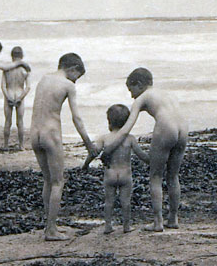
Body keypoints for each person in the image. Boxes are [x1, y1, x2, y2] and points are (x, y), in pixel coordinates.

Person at [103, 68, 187, 232]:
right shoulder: (166, 94)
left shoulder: (142, 98)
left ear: (139, 84)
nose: (132, 95)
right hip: (183, 128)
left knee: (155, 176)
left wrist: (109, 150)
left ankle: (158, 222)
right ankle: (173, 218)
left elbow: (126, 129)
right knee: (173, 175)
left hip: (166, 128)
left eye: (131, 90)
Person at [30, 53, 97, 241]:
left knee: (47, 180)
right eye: (78, 76)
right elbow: (77, 118)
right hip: (51, 134)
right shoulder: (68, 85)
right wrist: (88, 143)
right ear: (73, 68)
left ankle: (48, 225)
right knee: (58, 182)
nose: (76, 81)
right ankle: (51, 230)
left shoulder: (44, 79)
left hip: (34, 134)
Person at [82, 104, 150, 234]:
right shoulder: (130, 138)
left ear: (109, 121)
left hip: (110, 175)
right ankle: (126, 226)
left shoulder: (104, 138)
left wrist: (85, 165)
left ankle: (108, 226)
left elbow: (93, 153)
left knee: (109, 202)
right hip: (125, 174)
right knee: (126, 202)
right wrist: (154, 162)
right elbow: (142, 155)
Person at [1, 46, 31, 151]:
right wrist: (20, 98)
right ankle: (21, 145)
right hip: (19, 93)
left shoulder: (7, 68)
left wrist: (7, 96)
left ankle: (5, 145)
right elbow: (28, 87)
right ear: (22, 55)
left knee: (7, 121)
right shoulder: (25, 69)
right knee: (20, 122)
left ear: (12, 56)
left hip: (9, 93)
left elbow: (3, 86)